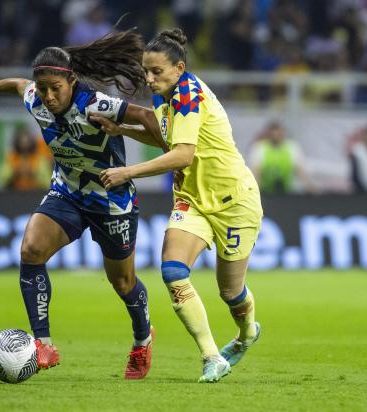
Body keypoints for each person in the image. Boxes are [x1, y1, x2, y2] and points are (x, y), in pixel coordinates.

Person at [0, 29, 166, 379]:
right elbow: (16, 83)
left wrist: (163, 150)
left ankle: (143, 340)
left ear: (71, 82)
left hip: (111, 199)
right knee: (30, 250)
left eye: (56, 88)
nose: (49, 96)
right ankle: (43, 344)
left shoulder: (95, 103)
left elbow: (147, 117)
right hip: (67, 192)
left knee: (123, 282)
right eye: (43, 89)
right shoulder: (35, 98)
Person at [92, 28, 263, 383]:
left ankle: (247, 334)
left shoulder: (188, 95)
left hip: (234, 202)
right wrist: (119, 129)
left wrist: (127, 171)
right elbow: (164, 137)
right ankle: (211, 357)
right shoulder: (165, 96)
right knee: (172, 271)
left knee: (230, 292)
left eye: (157, 72)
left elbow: (183, 154)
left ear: (179, 67)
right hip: (192, 201)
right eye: (146, 72)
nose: (150, 79)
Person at [248, 121, 316, 194]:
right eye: (272, 135)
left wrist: (310, 188)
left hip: (287, 193)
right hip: (265, 192)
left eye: (279, 134)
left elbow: (300, 171)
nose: (276, 137)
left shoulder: (292, 148)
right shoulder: (260, 148)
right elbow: (256, 173)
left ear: (283, 133)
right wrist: (256, 193)